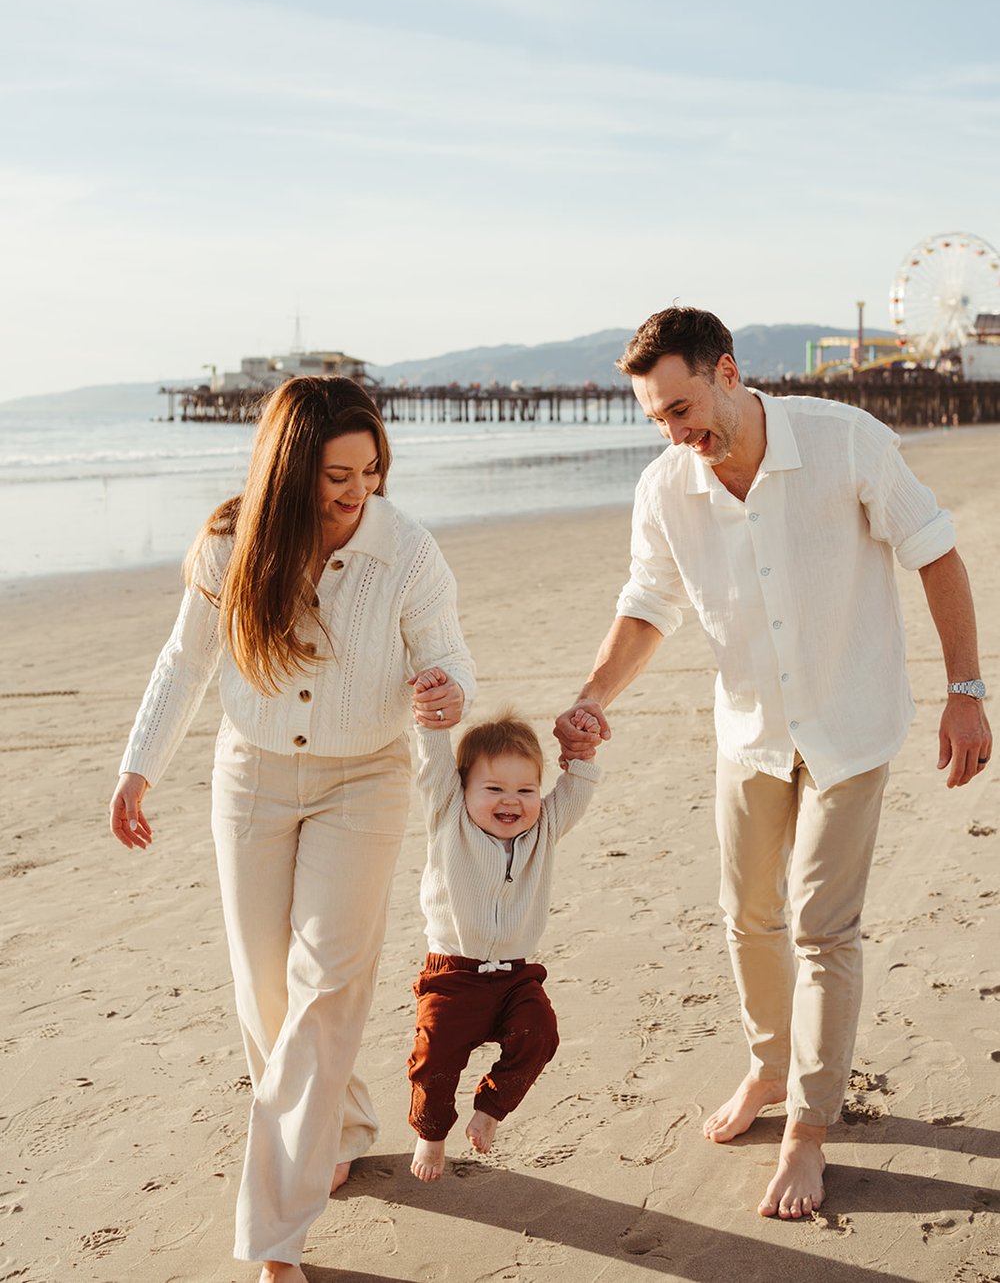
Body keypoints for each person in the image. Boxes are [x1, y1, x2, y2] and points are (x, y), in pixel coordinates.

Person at [554, 306, 991, 1222]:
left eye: (683, 408)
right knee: (747, 915)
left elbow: (936, 552)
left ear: (726, 370)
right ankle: (766, 1065)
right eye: (659, 420)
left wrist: (966, 689)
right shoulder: (668, 487)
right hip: (749, 731)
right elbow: (648, 604)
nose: (678, 433)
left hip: (850, 723)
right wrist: (594, 696)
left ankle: (810, 1128)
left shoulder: (845, 441)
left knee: (822, 928)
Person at [109, 377, 475, 1283]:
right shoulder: (232, 547)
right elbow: (185, 659)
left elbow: (448, 653)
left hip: (365, 780)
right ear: (286, 471)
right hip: (252, 780)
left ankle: (274, 1233)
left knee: (325, 991)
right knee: (266, 993)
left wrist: (445, 693)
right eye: (336, 475)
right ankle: (342, 1124)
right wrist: (137, 767)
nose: (358, 492)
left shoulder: (408, 551)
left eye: (371, 470)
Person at [405, 668, 600, 1181]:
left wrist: (581, 754)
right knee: (435, 1057)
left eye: (525, 790)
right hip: (454, 972)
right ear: (463, 788)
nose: (510, 801)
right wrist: (431, 720)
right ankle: (430, 1134)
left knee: (541, 1033)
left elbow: (574, 792)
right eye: (493, 788)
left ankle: (489, 1112)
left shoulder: (545, 828)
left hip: (515, 974)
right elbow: (431, 766)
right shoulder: (448, 815)